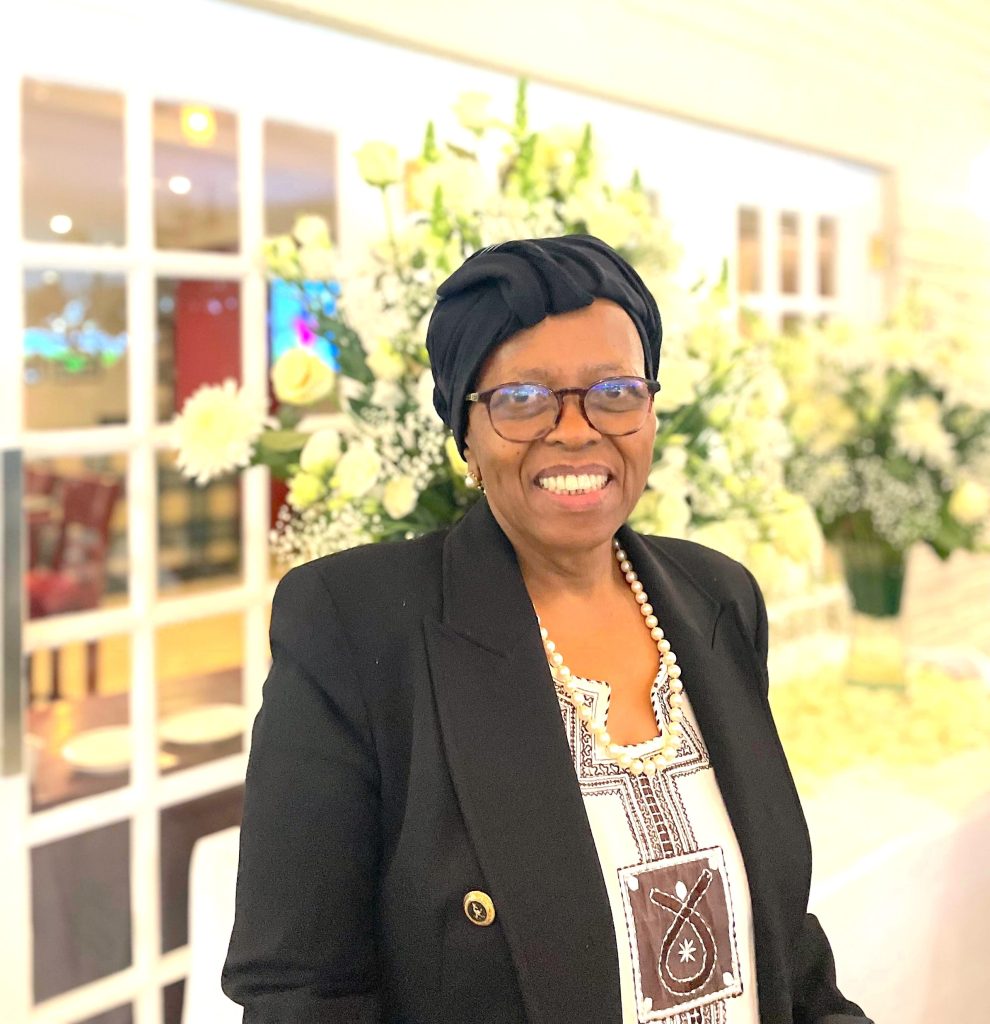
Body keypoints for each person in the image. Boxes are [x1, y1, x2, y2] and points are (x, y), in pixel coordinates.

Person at [222, 235, 871, 1024]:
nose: (575, 430)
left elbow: (786, 948)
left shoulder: (719, 599)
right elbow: (299, 991)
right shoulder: (355, 626)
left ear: (650, 412)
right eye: (523, 398)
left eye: (615, 391)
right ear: (466, 432)